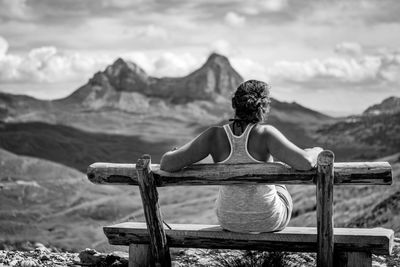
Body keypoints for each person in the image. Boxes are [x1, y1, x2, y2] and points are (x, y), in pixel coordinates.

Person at [160, 79, 323, 233]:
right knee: (279, 184)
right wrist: (316, 151)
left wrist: (172, 153)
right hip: (269, 220)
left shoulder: (213, 135)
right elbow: (305, 163)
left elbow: (167, 164)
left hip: (228, 220)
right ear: (264, 107)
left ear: (234, 104)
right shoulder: (265, 134)